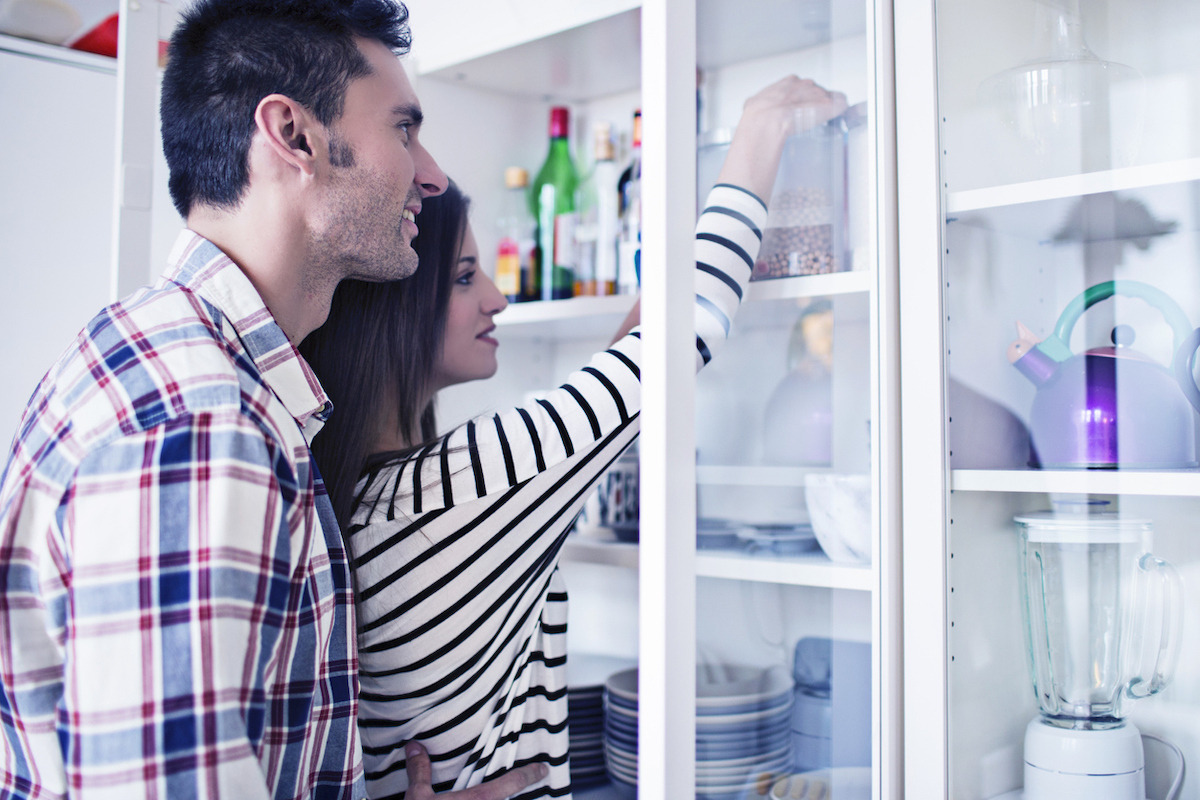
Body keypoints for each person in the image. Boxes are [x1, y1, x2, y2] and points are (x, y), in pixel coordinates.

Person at [0, 0, 544, 797]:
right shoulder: (197, 420)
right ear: (293, 135)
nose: (430, 174)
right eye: (403, 129)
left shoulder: (183, 367)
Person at [301, 76, 848, 798]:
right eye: (466, 278)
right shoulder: (467, 486)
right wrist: (757, 132)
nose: (497, 297)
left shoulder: (368, 492)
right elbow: (683, 333)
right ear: (393, 313)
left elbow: (615, 387)